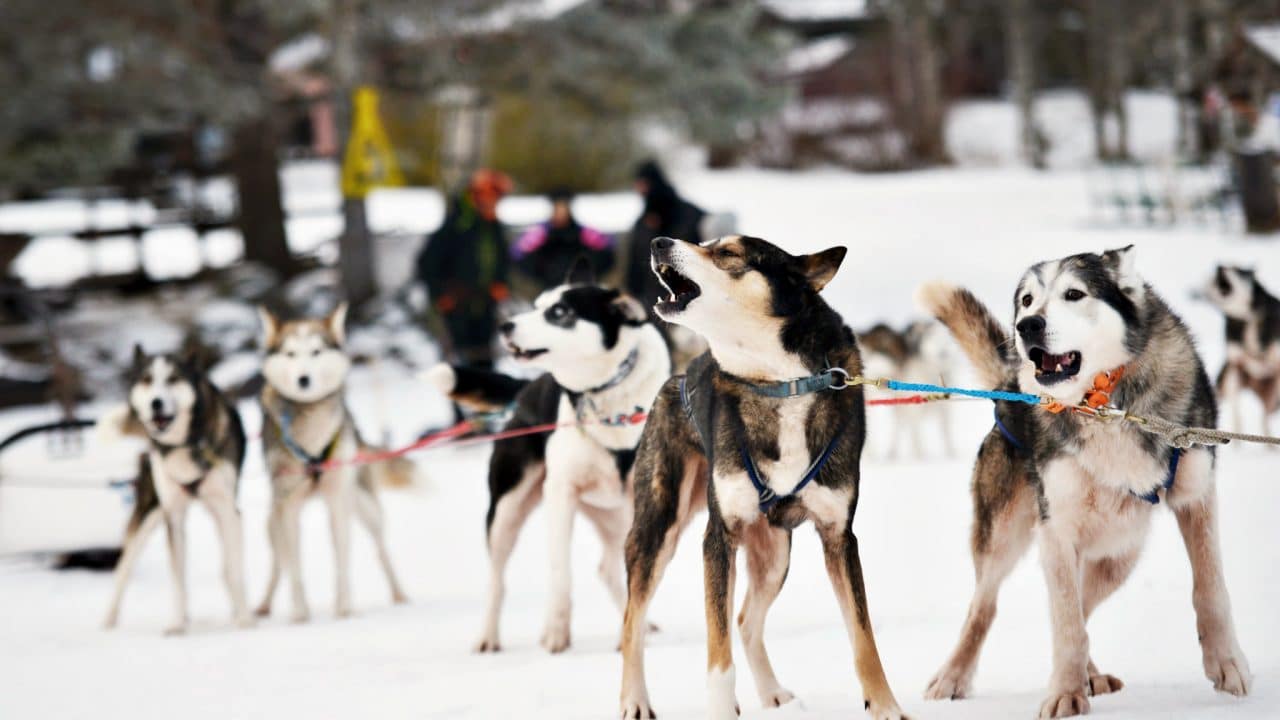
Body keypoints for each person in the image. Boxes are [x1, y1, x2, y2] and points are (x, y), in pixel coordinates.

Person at [416, 169, 513, 369]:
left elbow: (502, 260)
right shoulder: (455, 225)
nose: (491, 202)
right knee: (459, 361)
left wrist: (501, 283)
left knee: (485, 359)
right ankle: (461, 397)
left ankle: (485, 397)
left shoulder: (494, 227)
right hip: (457, 304)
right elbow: (426, 263)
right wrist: (439, 294)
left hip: (486, 304)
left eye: (495, 198)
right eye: (487, 196)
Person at [625, 160, 705, 309]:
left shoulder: (690, 215)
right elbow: (635, 262)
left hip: (689, 299)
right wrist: (632, 292)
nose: (640, 189)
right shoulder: (642, 222)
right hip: (653, 301)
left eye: (643, 184)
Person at [510, 187, 614, 290]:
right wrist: (543, 275)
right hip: (550, 288)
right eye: (557, 207)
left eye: (563, 207)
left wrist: (586, 274)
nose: (560, 212)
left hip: (580, 288)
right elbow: (518, 255)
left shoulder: (584, 233)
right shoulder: (540, 234)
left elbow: (607, 253)